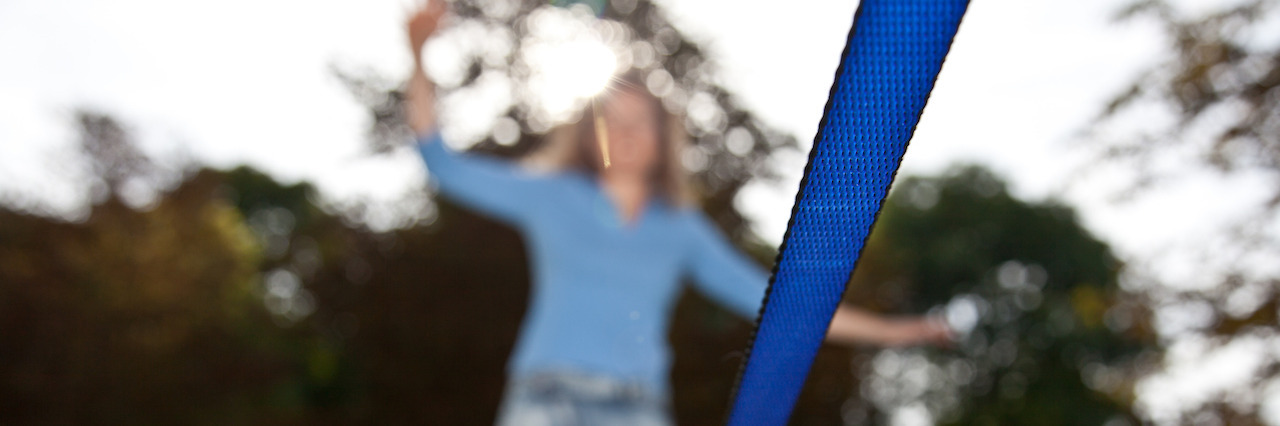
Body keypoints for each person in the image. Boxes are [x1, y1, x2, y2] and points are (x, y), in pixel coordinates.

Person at [403, 2, 952, 424]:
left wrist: (900, 332)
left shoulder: (681, 231)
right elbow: (440, 163)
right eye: (611, 121)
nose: (625, 133)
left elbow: (774, 301)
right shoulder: (552, 196)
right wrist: (419, 53)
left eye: (640, 123)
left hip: (636, 408)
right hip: (546, 400)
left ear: (664, 139)